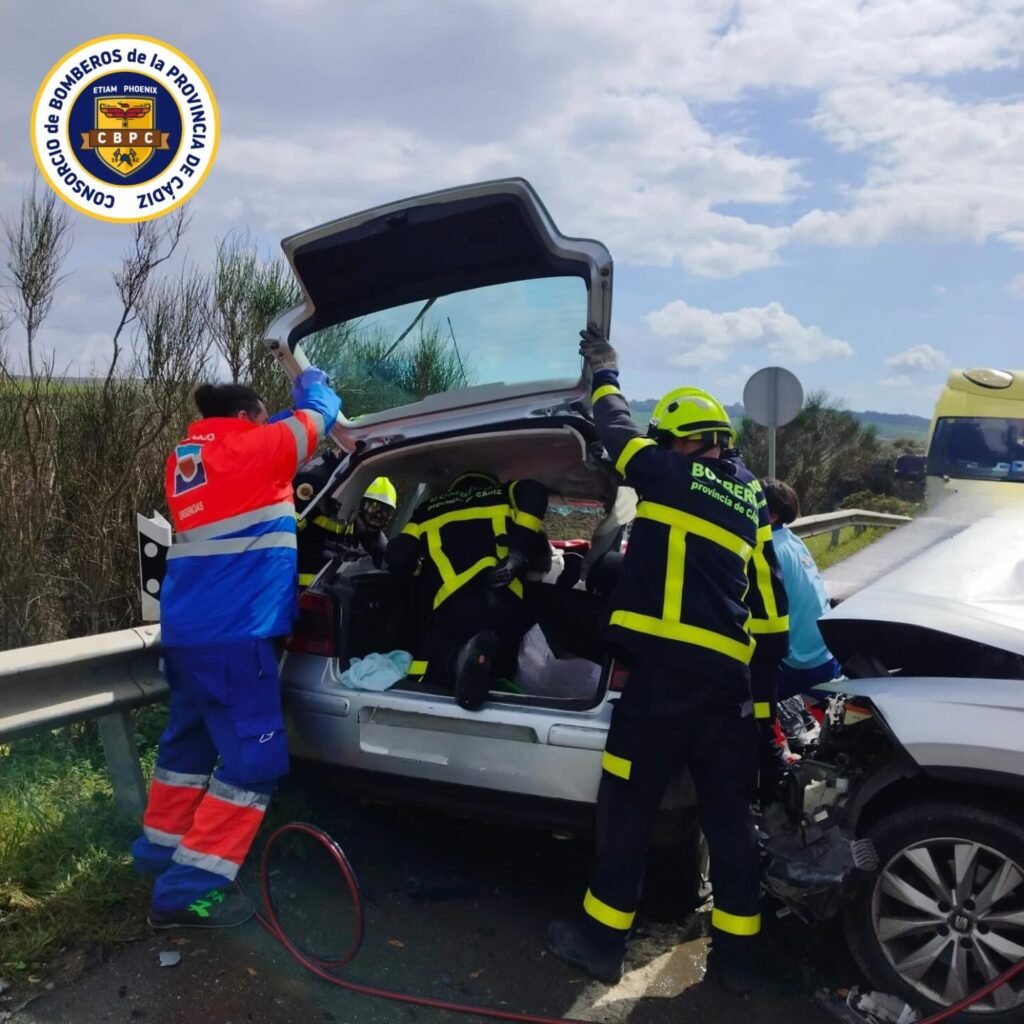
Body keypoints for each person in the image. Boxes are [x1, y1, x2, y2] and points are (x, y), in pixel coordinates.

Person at [545, 327, 775, 996]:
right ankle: (738, 961)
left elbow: (616, 433)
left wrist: (606, 373)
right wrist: (760, 710)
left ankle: (599, 939)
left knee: (628, 802)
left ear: (683, 438)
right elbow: (769, 607)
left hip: (665, 679)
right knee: (728, 816)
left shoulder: (671, 474)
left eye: (666, 438)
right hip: (727, 684)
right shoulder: (751, 496)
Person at [131, 369, 342, 928]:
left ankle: (157, 860)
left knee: (185, 753)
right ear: (249, 417)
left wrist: (271, 417)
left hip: (188, 636)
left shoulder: (188, 461)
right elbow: (322, 412)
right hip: (237, 637)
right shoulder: (258, 450)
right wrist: (312, 383)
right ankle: (188, 898)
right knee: (254, 766)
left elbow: (262, 440)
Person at [385, 470, 549, 710]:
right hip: (505, 605)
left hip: (453, 609)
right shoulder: (504, 495)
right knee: (506, 656)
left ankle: (457, 663)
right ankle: (490, 673)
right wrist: (516, 555)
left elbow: (396, 557)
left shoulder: (428, 509)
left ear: (455, 488)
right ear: (489, 484)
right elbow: (536, 489)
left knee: (431, 663)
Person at [761, 478, 841, 744]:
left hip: (798, 662)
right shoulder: (792, 541)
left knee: (738, 701)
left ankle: (771, 758)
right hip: (826, 653)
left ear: (770, 515)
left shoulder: (767, 551)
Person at [296, 470, 397, 582]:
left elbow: (387, 562)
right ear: (358, 504)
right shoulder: (321, 512)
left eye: (386, 511)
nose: (378, 515)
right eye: (374, 507)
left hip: (328, 593)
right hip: (293, 588)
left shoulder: (373, 539)